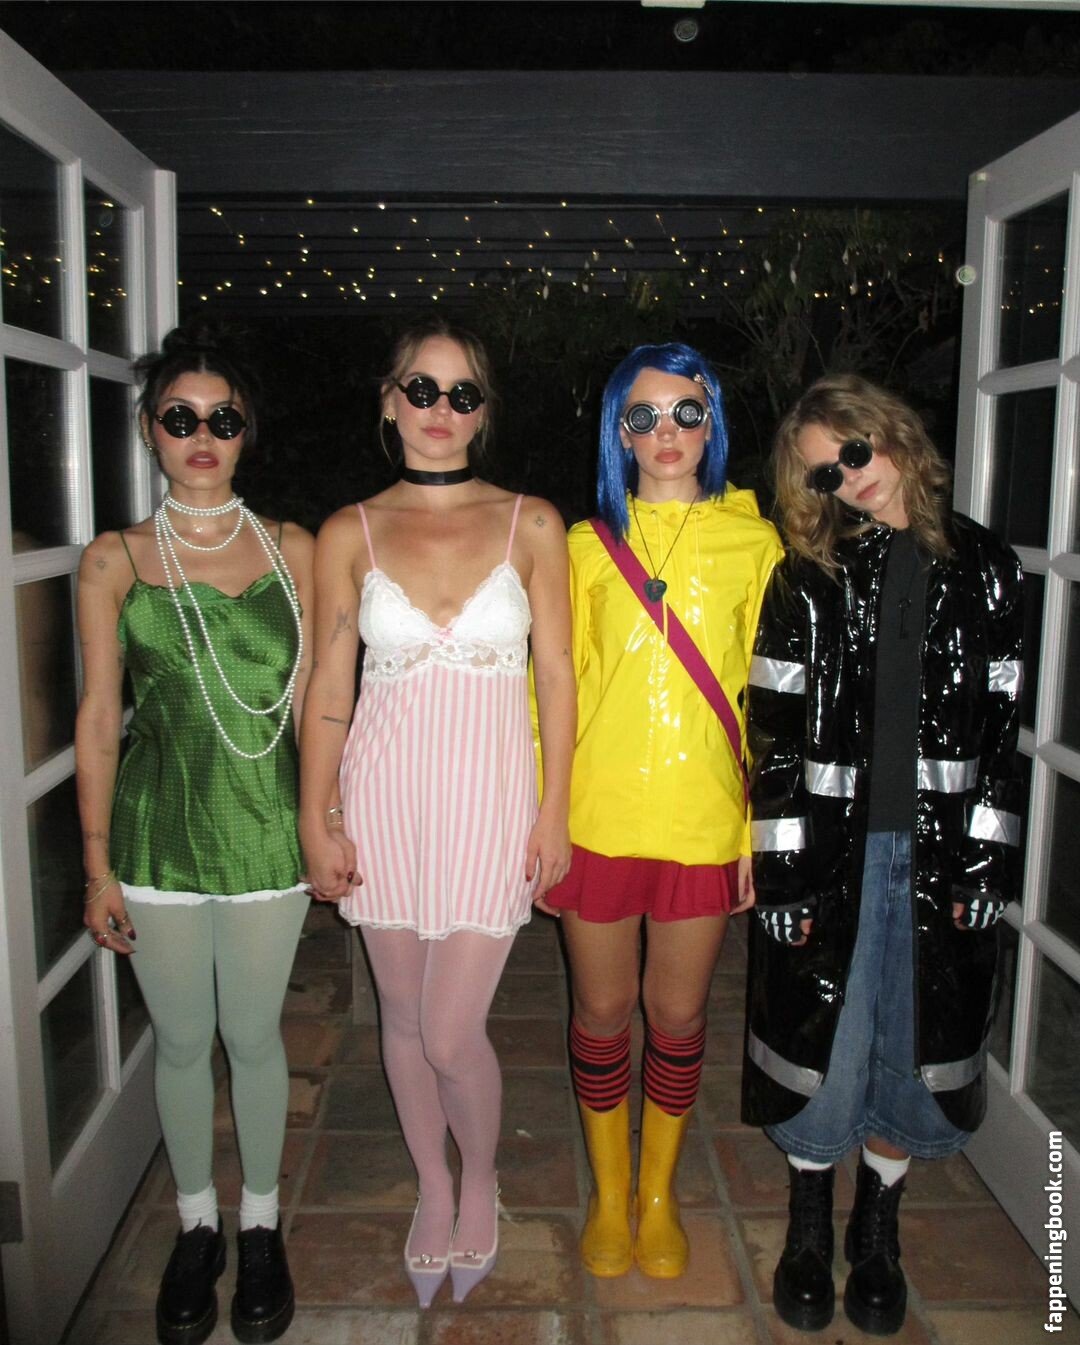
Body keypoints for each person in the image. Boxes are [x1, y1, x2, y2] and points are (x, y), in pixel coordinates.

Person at [299, 319, 575, 1308]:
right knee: (406, 1018)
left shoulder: (531, 523)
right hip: (383, 797)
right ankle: (433, 1183)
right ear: (389, 400)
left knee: (454, 1032)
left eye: (462, 394)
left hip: (492, 802)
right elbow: (329, 686)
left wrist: (557, 808)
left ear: (483, 412)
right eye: (421, 390)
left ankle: (481, 1174)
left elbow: (557, 674)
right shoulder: (350, 531)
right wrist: (316, 814)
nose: (440, 411)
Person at [743, 373, 1023, 1335]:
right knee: (830, 1032)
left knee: (913, 1036)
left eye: (853, 452)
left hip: (938, 854)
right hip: (836, 853)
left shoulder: (988, 567)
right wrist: (783, 872)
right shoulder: (808, 577)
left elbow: (1003, 732)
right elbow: (775, 736)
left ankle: (878, 1226)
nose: (847, 479)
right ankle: (808, 1222)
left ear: (891, 433)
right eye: (823, 473)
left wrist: (985, 862)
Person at [76, 323, 314, 1345]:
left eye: (223, 419)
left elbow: (318, 705)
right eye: (181, 418)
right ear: (148, 430)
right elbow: (98, 716)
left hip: (266, 830)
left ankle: (259, 1223)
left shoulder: (295, 548)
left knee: (253, 1036)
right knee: (179, 1041)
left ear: (246, 431)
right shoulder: (114, 557)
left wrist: (328, 816)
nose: (203, 436)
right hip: (155, 835)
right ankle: (196, 1226)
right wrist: (96, 864)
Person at [547, 342, 783, 1279]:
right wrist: (542, 819)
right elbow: (550, 692)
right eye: (642, 416)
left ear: (713, 420)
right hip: (596, 817)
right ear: (618, 431)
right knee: (603, 1010)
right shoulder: (578, 547)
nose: (667, 432)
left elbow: (773, 702)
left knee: (677, 1015)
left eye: (687, 411)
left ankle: (659, 1190)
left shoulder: (755, 545)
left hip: (702, 819)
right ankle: (611, 1193)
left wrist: (760, 827)